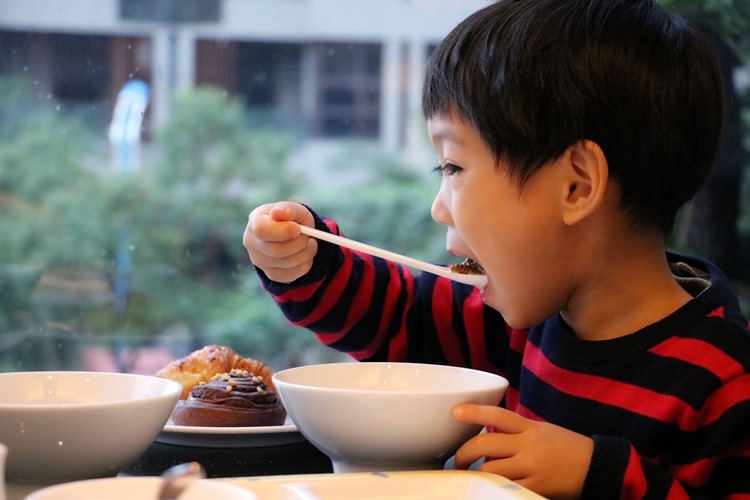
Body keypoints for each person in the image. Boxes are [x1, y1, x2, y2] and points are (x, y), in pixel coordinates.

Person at [243, 0, 750, 498]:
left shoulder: (724, 384)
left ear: (576, 185)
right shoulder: (508, 322)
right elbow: (396, 317)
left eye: (453, 168)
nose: (439, 208)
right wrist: (309, 261)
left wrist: (602, 477)